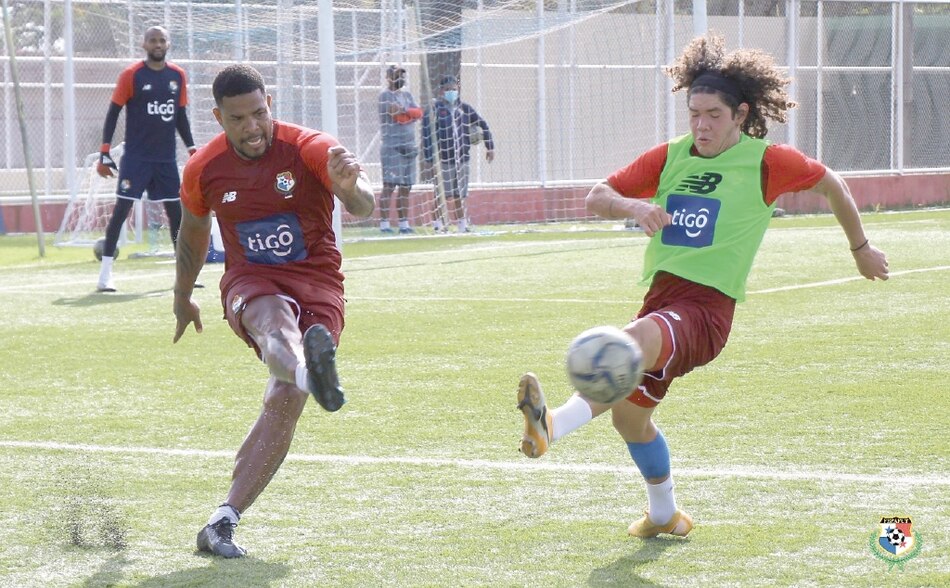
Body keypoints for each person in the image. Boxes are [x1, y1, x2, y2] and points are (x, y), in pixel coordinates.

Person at [516, 34, 889, 539]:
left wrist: (860, 248)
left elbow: (833, 184)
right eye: (693, 113)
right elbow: (597, 195)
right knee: (631, 422)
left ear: (740, 113)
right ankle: (665, 513)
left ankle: (551, 425)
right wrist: (634, 206)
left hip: (706, 311)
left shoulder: (767, 161)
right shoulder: (672, 156)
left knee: (636, 339)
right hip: (663, 297)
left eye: (713, 114)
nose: (700, 125)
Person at [172, 64, 375, 558]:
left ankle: (222, 521)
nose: (252, 127)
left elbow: (364, 204)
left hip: (319, 282)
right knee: (276, 327)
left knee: (283, 399)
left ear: (270, 104)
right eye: (239, 118)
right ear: (219, 117)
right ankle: (311, 375)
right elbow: (193, 233)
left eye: (259, 113)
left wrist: (350, 190)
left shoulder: (309, 147)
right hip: (252, 282)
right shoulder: (204, 168)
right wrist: (182, 296)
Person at [95, 26, 197, 292]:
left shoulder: (178, 76)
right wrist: (105, 150)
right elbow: (113, 113)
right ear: (144, 45)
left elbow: (181, 117)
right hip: (136, 159)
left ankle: (183, 276)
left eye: (162, 40)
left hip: (165, 160)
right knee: (121, 212)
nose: (158, 44)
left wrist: (192, 148)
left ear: (168, 44)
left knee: (177, 214)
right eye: (153, 40)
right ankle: (105, 275)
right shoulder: (132, 75)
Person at [421, 75, 494, 233]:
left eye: (453, 89)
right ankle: (437, 223)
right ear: (441, 91)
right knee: (443, 194)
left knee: (459, 194)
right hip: (444, 159)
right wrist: (429, 158)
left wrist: (490, 146)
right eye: (448, 90)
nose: (451, 92)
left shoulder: (465, 109)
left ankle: (462, 224)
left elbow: (483, 124)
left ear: (458, 89)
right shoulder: (435, 110)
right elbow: (426, 134)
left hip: (462, 158)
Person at [378, 65, 423, 234]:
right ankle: (384, 224)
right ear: (389, 77)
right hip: (392, 147)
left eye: (403, 75)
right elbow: (398, 117)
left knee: (406, 187)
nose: (401, 79)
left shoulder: (407, 95)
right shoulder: (384, 96)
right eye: (397, 75)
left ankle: (404, 224)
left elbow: (419, 113)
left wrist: (406, 112)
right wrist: (408, 113)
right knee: (389, 186)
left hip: (409, 146)